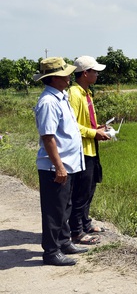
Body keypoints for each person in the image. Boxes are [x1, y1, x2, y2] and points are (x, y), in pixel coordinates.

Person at [33, 57, 88, 266]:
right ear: (55, 78)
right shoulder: (48, 102)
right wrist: (59, 166)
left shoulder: (61, 97)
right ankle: (51, 252)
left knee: (65, 206)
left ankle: (64, 242)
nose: (69, 77)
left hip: (68, 165)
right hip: (56, 167)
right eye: (65, 74)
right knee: (54, 211)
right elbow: (48, 138)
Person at [68, 55, 110, 245]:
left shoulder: (87, 93)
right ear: (85, 73)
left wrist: (99, 128)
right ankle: (76, 232)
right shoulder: (74, 94)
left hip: (91, 148)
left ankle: (85, 223)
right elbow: (73, 126)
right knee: (81, 192)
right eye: (95, 71)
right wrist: (94, 133)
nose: (97, 74)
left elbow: (86, 122)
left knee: (90, 188)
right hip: (81, 150)